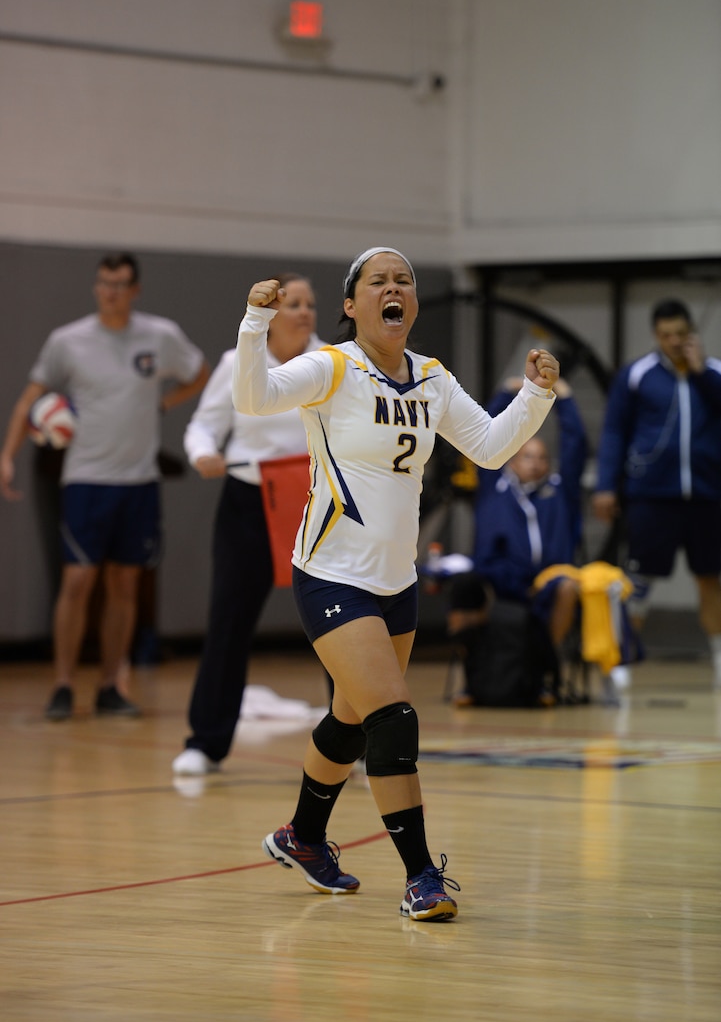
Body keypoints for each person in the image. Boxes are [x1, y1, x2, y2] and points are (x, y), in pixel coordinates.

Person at [231, 247, 560, 922]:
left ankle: (301, 836)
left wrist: (536, 395)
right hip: (330, 573)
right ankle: (419, 878)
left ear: (411, 303)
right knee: (393, 715)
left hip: (394, 580)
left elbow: (493, 448)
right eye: (377, 281)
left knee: (352, 721)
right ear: (352, 305)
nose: (394, 289)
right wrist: (253, 324)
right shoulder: (331, 366)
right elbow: (253, 397)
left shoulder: (432, 379)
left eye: (403, 280)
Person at [0, 252, 209, 720]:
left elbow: (199, 374)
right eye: (103, 283)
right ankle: (62, 683)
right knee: (77, 580)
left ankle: (111, 684)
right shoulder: (68, 341)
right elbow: (30, 398)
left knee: (124, 584)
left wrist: (162, 404)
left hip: (139, 481)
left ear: (134, 289)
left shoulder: (160, 335)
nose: (110, 291)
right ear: (96, 287)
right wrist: (7, 456)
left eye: (119, 283)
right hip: (86, 481)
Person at [173, 273, 330, 776]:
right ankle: (206, 741)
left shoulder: (334, 363)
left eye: (310, 304)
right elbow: (203, 424)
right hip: (247, 502)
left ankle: (353, 742)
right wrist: (203, 454)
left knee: (338, 623)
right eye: (293, 303)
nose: (304, 312)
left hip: (317, 505)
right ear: (273, 312)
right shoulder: (237, 362)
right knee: (228, 621)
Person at [592, 298, 721, 689]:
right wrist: (605, 486)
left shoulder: (713, 372)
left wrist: (700, 373)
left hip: (706, 495)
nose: (674, 342)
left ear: (691, 333)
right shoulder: (637, 375)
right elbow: (614, 431)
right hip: (651, 495)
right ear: (656, 335)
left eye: (680, 334)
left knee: (711, 579)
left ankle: (718, 658)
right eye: (666, 336)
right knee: (640, 581)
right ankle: (623, 659)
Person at [448, 376, 588, 703]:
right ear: (511, 458)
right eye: (528, 456)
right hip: (499, 579)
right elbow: (483, 433)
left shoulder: (560, 490)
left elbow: (576, 443)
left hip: (545, 581)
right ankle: (474, 677)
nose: (537, 463)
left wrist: (564, 399)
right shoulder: (492, 485)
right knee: (465, 588)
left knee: (568, 586)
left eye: (542, 457)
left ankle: (541, 674)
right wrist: (505, 392)